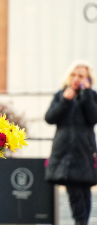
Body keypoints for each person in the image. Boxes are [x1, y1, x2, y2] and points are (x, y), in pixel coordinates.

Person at [45, 60, 97, 225]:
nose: (76, 78)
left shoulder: (91, 95)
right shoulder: (61, 94)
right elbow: (50, 118)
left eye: (81, 76)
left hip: (85, 151)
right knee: (74, 189)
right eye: (74, 75)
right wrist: (65, 101)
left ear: (88, 79)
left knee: (85, 190)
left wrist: (87, 94)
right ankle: (80, 222)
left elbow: (93, 118)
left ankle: (82, 222)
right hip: (65, 151)